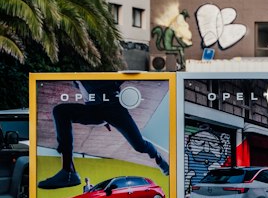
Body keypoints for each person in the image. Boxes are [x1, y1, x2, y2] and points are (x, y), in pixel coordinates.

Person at [38, 79, 169, 191]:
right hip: (93, 111)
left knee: (139, 145)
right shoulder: (75, 79)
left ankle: (158, 158)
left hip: (114, 109)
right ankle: (68, 172)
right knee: (60, 112)